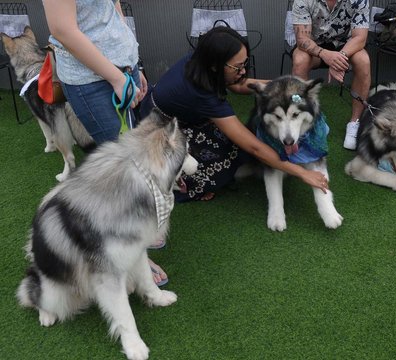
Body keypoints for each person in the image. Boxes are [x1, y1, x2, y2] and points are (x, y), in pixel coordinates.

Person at [42, 0, 167, 287]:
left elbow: (111, 8)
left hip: (121, 70)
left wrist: (133, 66)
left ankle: (134, 236)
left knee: (132, 159)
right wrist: (116, 77)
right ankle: (134, 255)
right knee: (122, 171)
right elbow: (62, 29)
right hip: (93, 79)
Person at [140, 26, 330, 205]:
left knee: (236, 150)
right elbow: (254, 147)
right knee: (224, 162)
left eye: (245, 64)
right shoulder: (203, 95)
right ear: (216, 65)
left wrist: (283, 87)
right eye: (238, 67)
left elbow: (239, 84)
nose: (243, 71)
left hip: (182, 114)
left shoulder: (203, 61)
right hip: (162, 130)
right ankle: (183, 186)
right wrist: (301, 173)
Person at [291, 0, 371, 150]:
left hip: (346, 46)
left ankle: (355, 123)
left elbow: (360, 38)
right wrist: (325, 54)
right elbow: (302, 40)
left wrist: (339, 58)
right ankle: (301, 119)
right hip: (314, 48)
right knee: (299, 60)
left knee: (363, 61)